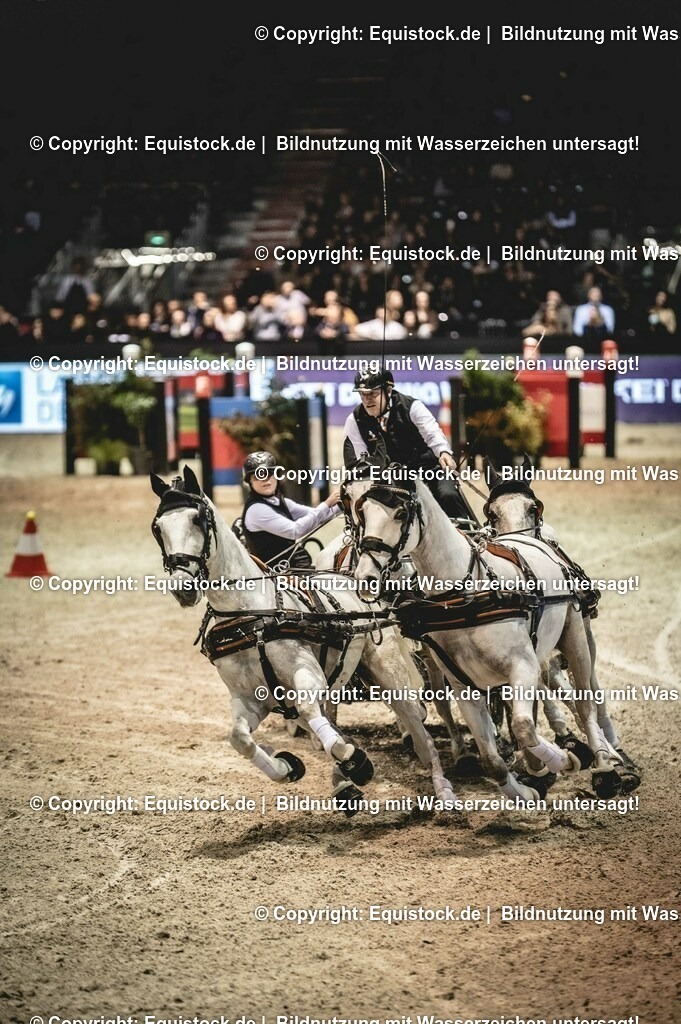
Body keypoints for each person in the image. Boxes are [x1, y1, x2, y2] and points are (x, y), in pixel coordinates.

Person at [342, 369, 474, 525]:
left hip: (429, 469)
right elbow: (361, 459)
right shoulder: (354, 420)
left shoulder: (412, 407)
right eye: (363, 394)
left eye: (373, 394)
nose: (367, 400)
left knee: (448, 495)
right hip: (393, 477)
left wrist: (444, 452)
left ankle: (466, 533)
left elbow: (432, 433)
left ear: (389, 390)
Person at [240, 451, 341, 569]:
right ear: (250, 482)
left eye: (270, 474)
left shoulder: (279, 501)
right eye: (258, 476)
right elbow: (295, 531)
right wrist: (326, 503)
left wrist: (343, 504)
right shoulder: (256, 510)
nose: (266, 480)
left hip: (295, 567)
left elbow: (317, 514)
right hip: (276, 575)